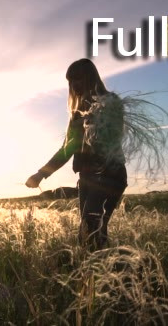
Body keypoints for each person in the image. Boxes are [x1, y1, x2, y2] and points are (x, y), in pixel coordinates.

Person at [25, 58, 128, 251]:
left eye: (78, 79)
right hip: (87, 179)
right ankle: (104, 275)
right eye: (71, 82)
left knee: (90, 231)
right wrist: (41, 174)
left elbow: (112, 138)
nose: (74, 85)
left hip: (109, 175)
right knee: (91, 235)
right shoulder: (77, 114)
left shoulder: (110, 103)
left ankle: (107, 274)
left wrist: (93, 123)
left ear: (91, 78)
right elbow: (67, 149)